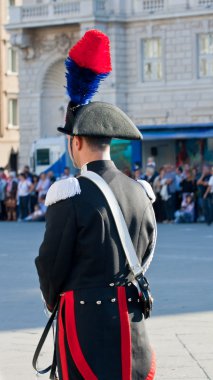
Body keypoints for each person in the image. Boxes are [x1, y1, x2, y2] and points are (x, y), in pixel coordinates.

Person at [35, 30, 157, 380]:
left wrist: (53, 301)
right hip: (133, 330)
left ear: (76, 142)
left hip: (86, 330)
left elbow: (51, 264)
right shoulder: (141, 192)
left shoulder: (70, 192)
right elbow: (145, 255)